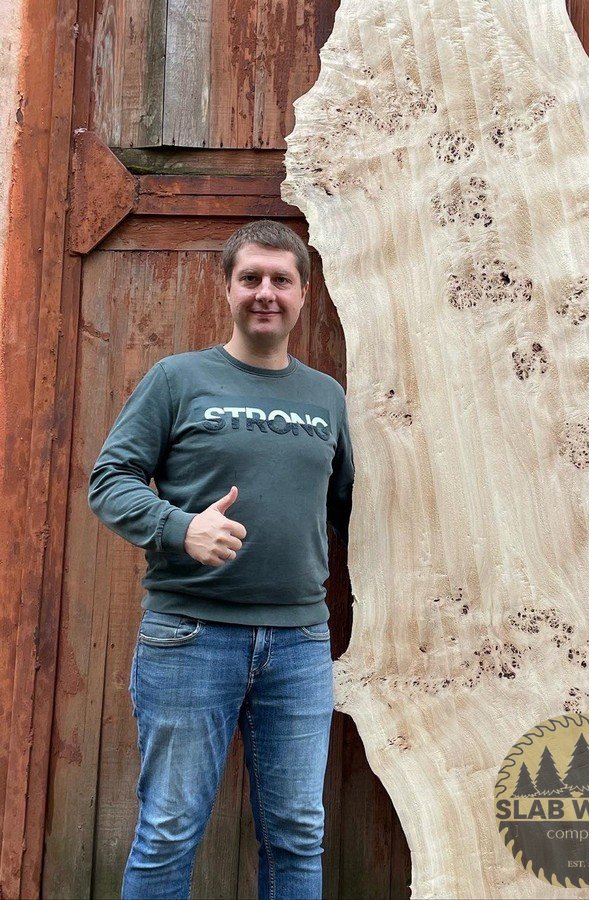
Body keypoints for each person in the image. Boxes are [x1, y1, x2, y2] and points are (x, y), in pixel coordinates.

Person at [88, 219, 354, 900]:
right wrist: (180, 528)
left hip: (299, 644)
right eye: (250, 278)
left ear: (303, 293)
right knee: (169, 830)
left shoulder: (326, 396)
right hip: (190, 636)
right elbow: (110, 480)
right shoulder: (178, 380)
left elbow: (349, 506)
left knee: (298, 833)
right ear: (228, 289)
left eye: (281, 280)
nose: (266, 292)